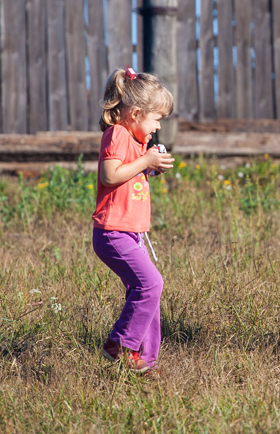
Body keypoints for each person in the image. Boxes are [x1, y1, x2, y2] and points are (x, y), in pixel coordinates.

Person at [92, 66, 175, 376]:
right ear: (137, 113)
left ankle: (145, 361)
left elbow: (131, 174)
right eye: (156, 120)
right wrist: (145, 161)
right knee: (151, 285)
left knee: (145, 294)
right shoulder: (116, 134)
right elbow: (109, 175)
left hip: (131, 233)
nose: (157, 127)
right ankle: (120, 345)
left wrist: (151, 166)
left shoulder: (137, 142)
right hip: (112, 233)